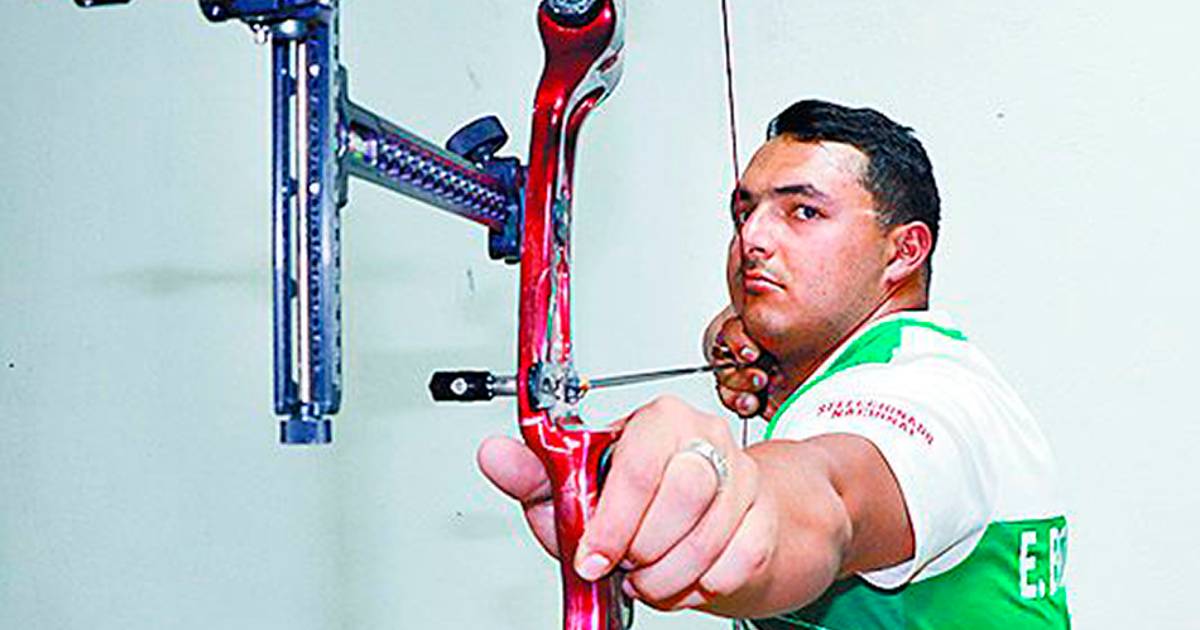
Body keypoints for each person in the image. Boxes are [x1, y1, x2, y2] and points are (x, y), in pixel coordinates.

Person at [477, 99, 1069, 628]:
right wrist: (755, 348)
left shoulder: (926, 397)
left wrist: (730, 496)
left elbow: (828, 499)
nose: (752, 238)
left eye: (804, 212)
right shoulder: (902, 366)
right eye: (744, 213)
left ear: (903, 251)